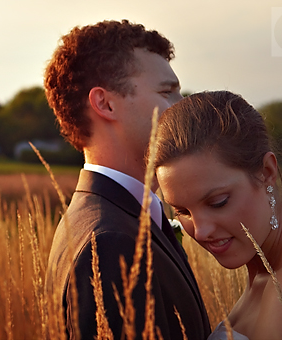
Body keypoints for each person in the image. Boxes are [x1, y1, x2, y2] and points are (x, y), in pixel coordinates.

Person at [43, 20, 211, 339]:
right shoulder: (109, 242)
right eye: (167, 91)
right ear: (105, 103)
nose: (183, 105)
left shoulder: (111, 218)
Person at [155, 90, 282, 340]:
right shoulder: (268, 269)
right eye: (182, 211)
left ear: (266, 172)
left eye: (218, 203)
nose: (200, 231)